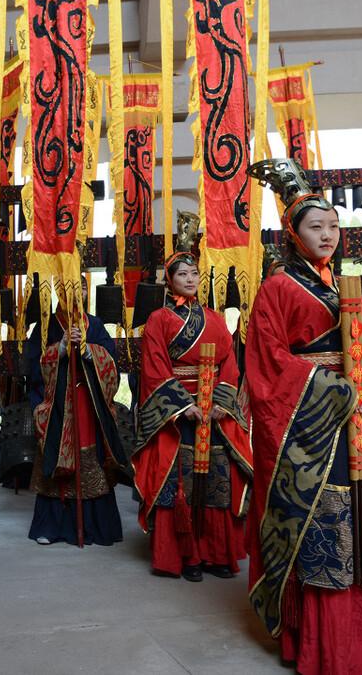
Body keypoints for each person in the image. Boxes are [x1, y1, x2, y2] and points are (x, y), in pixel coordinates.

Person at [245, 158, 362, 675]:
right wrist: (334, 392)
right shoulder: (278, 290)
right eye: (315, 227)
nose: (327, 235)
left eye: (333, 227)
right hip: (314, 429)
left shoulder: (347, 289)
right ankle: (332, 645)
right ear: (293, 234)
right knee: (325, 528)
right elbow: (268, 364)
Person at [135, 242, 250, 580]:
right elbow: (154, 366)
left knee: (217, 483)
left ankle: (216, 554)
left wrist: (220, 403)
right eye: (182, 274)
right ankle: (186, 557)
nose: (189, 278)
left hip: (213, 409)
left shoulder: (214, 318)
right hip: (180, 414)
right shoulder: (158, 320)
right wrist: (182, 406)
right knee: (179, 484)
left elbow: (229, 363)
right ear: (168, 281)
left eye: (194, 273)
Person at [24, 280, 127, 547]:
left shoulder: (94, 324)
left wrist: (89, 351)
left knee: (92, 460)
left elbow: (112, 364)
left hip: (88, 405)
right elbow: (32, 368)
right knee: (58, 458)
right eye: (70, 288)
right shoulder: (46, 326)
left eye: (81, 288)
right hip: (58, 407)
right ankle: (52, 525)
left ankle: (95, 527)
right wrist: (58, 350)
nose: (77, 293)